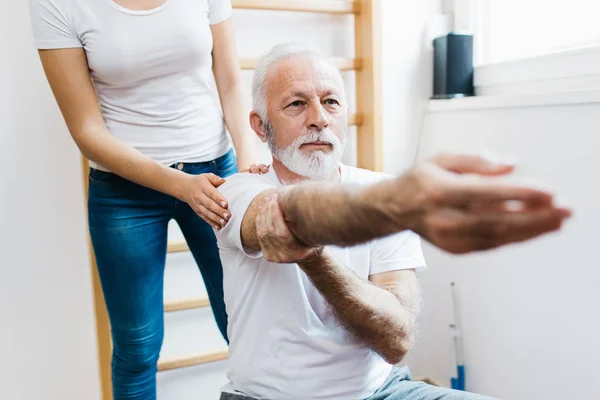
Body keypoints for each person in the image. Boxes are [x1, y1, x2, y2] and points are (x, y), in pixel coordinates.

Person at [213, 43, 571, 400]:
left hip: (383, 392)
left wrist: (316, 256)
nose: (319, 118)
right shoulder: (237, 190)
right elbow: (280, 214)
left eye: (331, 102)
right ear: (260, 126)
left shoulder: (382, 189)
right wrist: (395, 204)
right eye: (297, 104)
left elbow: (396, 340)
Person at [28, 0, 268, 399]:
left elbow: (228, 77)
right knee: (137, 347)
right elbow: (87, 130)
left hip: (216, 176)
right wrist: (180, 185)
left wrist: (247, 160)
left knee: (245, 323)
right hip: (124, 191)